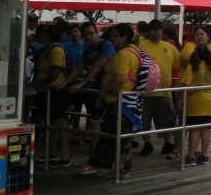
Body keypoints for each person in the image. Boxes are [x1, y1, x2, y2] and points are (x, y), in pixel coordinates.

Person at [75, 23, 140, 176]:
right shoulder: (134, 51)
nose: (112, 38)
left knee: (116, 137)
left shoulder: (123, 54)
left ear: (123, 38)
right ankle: (106, 166)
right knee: (112, 137)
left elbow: (121, 78)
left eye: (115, 35)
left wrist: (104, 89)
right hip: (126, 101)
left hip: (119, 101)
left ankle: (119, 169)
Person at [65, 21, 115, 155]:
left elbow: (97, 66)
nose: (88, 37)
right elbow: (79, 69)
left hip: (111, 90)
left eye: (91, 33)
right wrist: (65, 82)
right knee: (97, 122)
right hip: (100, 89)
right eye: (85, 34)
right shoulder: (87, 50)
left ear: (96, 32)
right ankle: (96, 155)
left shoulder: (106, 45)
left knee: (98, 123)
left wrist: (81, 84)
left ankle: (96, 156)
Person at [29, 25, 71, 166]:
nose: (38, 36)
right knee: (52, 123)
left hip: (54, 91)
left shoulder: (56, 50)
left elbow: (54, 72)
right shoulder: (45, 50)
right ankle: (51, 153)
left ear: (48, 35)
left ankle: (65, 156)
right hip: (45, 92)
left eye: (41, 33)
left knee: (59, 122)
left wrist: (42, 84)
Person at [138, 19, 181, 157]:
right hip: (145, 92)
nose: (157, 32)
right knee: (144, 119)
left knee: (167, 119)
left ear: (162, 32)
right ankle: (147, 143)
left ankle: (167, 143)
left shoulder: (169, 47)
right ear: (148, 32)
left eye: (159, 29)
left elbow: (180, 62)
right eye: (154, 29)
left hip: (165, 91)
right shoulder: (141, 46)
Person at [179, 42, 211, 165]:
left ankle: (190, 156)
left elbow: (185, 84)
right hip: (209, 99)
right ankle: (204, 155)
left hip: (195, 100)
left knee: (194, 129)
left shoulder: (192, 65)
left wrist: (181, 99)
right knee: (206, 128)